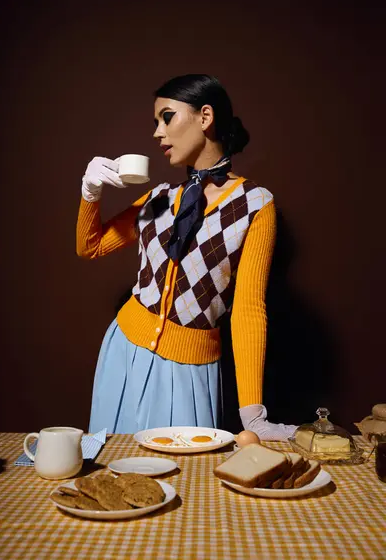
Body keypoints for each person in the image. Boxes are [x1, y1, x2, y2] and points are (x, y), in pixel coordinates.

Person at [76, 74, 297, 440]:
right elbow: (91, 245)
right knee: (114, 471)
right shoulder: (160, 198)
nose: (157, 133)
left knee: (187, 486)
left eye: (167, 117)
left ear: (205, 116)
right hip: (123, 352)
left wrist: (252, 414)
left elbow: (247, 310)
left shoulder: (256, 205)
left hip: (191, 370)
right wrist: (90, 191)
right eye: (155, 123)